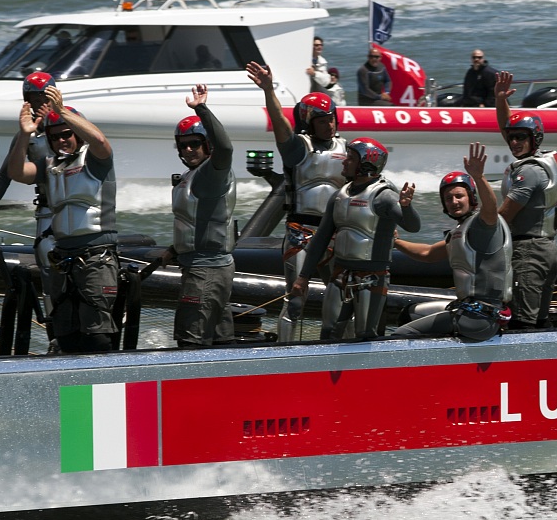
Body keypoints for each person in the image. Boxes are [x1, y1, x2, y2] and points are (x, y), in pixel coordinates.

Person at [7, 85, 119, 354]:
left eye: (66, 134)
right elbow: (16, 172)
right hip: (63, 258)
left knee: (97, 334)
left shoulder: (96, 160)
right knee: (65, 333)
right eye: (55, 137)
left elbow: (100, 141)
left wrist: (61, 112)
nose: (61, 141)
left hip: (95, 257)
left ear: (77, 134)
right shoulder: (49, 166)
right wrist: (24, 135)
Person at [247, 61, 347, 343]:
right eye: (322, 120)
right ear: (308, 122)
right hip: (300, 232)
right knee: (295, 300)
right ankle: (285, 351)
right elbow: (280, 125)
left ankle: (338, 349)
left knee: (340, 299)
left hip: (334, 233)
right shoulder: (297, 148)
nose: (329, 125)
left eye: (331, 119)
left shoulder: (346, 148)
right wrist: (268, 90)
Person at [290, 137, 419, 340]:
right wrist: (303, 277)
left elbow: (413, 226)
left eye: (350, 158)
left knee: (365, 335)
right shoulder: (339, 196)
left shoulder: (385, 196)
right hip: (339, 275)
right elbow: (321, 238)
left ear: (366, 164)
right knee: (328, 332)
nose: (344, 161)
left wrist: (406, 206)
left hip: (371, 279)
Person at [392, 143, 512, 341]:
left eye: (459, 196)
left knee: (401, 335)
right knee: (409, 314)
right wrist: (396, 242)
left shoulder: (484, 224)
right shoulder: (460, 231)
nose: (454, 202)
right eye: (448, 198)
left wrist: (479, 177)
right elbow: (428, 253)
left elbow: (491, 207)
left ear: (471, 198)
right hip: (467, 310)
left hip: (481, 317)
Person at [0, 71, 62, 333]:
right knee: (47, 268)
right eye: (33, 99)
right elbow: (5, 173)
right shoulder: (26, 135)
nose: (39, 103)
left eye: (44, 98)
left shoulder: (71, 124)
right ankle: (55, 333)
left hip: (76, 207)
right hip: (47, 209)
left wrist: (56, 117)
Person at [158, 84, 237, 348]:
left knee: (190, 343)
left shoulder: (213, 173)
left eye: (195, 143)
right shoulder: (190, 176)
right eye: (183, 146)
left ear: (207, 144)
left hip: (206, 270)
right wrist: (173, 250)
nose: (189, 150)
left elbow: (225, 149)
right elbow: (195, 222)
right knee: (219, 343)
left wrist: (202, 109)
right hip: (202, 267)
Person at [494, 71, 557, 330]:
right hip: (546, 248)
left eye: (520, 137)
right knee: (539, 320)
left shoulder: (528, 172)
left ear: (533, 138)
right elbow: (509, 127)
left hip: (528, 252)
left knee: (522, 323)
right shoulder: (541, 161)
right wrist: (500, 99)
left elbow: (504, 215)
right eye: (511, 137)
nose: (514, 142)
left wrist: (474, 233)